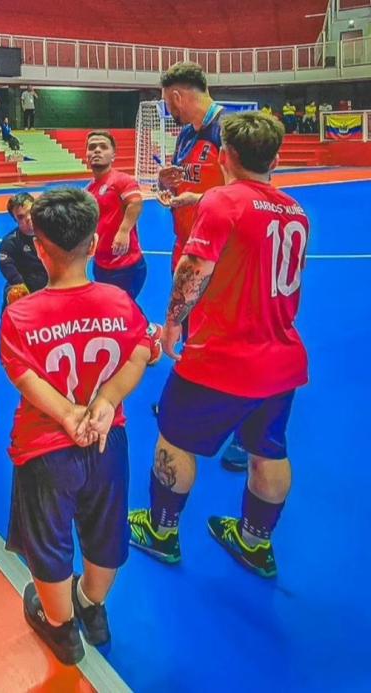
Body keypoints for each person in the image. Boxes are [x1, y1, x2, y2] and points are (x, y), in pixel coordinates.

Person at [128, 112, 309, 579]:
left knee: (174, 438)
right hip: (280, 356)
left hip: (223, 357)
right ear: (275, 157)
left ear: (225, 155)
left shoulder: (223, 202)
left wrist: (171, 324)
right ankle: (255, 541)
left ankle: (162, 531)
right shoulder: (295, 211)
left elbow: (194, 267)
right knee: (268, 450)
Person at [0, 186, 159, 665]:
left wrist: (68, 414)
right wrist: (107, 400)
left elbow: (23, 377)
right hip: (109, 443)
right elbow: (142, 352)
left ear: (40, 248)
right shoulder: (118, 301)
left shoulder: (21, 315)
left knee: (48, 543)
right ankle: (92, 606)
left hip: (45, 448)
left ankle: (62, 627)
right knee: (106, 531)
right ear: (93, 245)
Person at [156, 61, 247, 471]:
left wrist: (199, 200)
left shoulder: (228, 129)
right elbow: (187, 181)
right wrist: (167, 182)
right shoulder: (186, 135)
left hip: (225, 251)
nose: (167, 110)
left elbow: (247, 191)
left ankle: (247, 432)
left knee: (230, 332)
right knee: (193, 325)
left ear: (177, 96)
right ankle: (191, 404)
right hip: (190, 243)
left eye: (167, 102)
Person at [86, 130, 146, 299]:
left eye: (103, 147)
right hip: (101, 264)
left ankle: (146, 326)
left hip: (125, 263)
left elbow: (135, 202)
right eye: (92, 147)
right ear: (87, 155)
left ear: (113, 155)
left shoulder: (122, 180)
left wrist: (124, 230)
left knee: (123, 310)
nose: (97, 150)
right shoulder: (89, 190)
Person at [0, 192, 47, 310]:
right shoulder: (10, 242)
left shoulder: (51, 235)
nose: (28, 218)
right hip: (25, 291)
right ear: (15, 220)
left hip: (50, 289)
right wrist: (19, 285)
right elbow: (6, 264)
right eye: (21, 217)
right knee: (14, 292)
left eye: (30, 212)